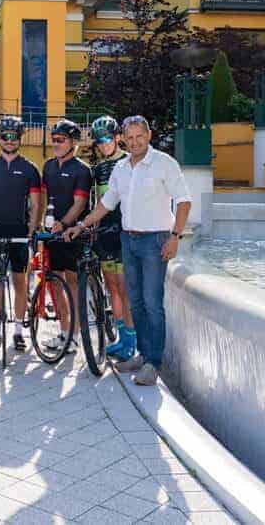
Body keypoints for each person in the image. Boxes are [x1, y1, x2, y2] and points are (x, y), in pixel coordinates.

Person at [71, 115, 191, 386]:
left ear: (149, 136)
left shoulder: (164, 163)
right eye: (130, 137)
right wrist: (81, 225)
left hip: (155, 241)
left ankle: (153, 364)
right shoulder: (121, 168)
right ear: (123, 138)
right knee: (135, 302)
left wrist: (175, 236)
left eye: (140, 137)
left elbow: (184, 201)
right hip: (129, 240)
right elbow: (106, 203)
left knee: (152, 303)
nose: (135, 142)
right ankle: (143, 354)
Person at [0, 115, 42, 353]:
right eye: (5, 136)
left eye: (13, 136)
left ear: (20, 138)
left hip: (19, 232)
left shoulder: (29, 169)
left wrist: (31, 232)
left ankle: (17, 332)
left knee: (19, 281)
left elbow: (36, 204)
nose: (9, 140)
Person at [40, 119, 92, 354]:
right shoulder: (49, 166)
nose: (56, 144)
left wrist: (63, 224)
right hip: (53, 233)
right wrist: (42, 223)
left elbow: (80, 204)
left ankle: (75, 336)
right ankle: (63, 332)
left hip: (73, 233)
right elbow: (44, 199)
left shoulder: (82, 170)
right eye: (53, 140)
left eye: (60, 140)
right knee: (55, 282)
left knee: (72, 284)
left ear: (73, 143)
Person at [87, 115, 136, 360]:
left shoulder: (129, 162)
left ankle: (131, 340)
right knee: (112, 287)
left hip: (125, 230)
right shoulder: (97, 169)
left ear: (117, 137)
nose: (103, 144)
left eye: (106, 139)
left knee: (125, 289)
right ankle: (119, 337)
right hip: (105, 232)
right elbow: (99, 201)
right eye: (99, 141)